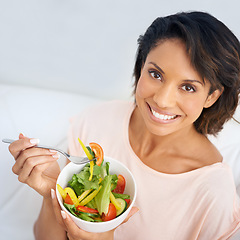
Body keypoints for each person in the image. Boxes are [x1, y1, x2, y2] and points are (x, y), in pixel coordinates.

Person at [8, 11, 240, 240]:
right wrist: (52, 195)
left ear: (211, 97)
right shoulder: (98, 121)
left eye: (188, 87)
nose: (162, 100)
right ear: (141, 68)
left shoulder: (213, 191)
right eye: (155, 74)